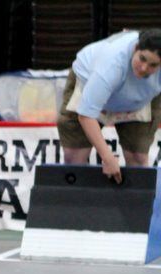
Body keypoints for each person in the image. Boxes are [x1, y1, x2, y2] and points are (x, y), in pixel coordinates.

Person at [57, 29, 161, 184]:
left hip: (139, 100)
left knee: (138, 158)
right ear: (136, 48)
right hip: (88, 83)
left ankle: (137, 206)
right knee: (74, 159)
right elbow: (86, 115)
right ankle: (77, 204)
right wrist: (107, 158)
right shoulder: (111, 64)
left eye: (153, 65)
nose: (144, 68)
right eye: (142, 59)